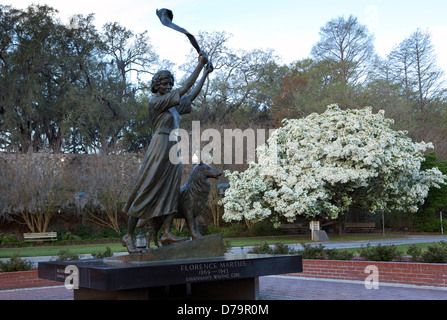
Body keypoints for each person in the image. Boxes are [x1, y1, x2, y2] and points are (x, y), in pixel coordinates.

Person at [121, 51, 213, 253]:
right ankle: (128, 235)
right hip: (159, 146)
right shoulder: (156, 102)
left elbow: (190, 95)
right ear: (156, 85)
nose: (168, 87)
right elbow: (184, 89)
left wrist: (205, 74)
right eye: (164, 83)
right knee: (146, 189)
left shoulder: (173, 107)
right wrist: (199, 65)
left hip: (173, 148)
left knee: (172, 191)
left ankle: (166, 233)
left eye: (170, 83)